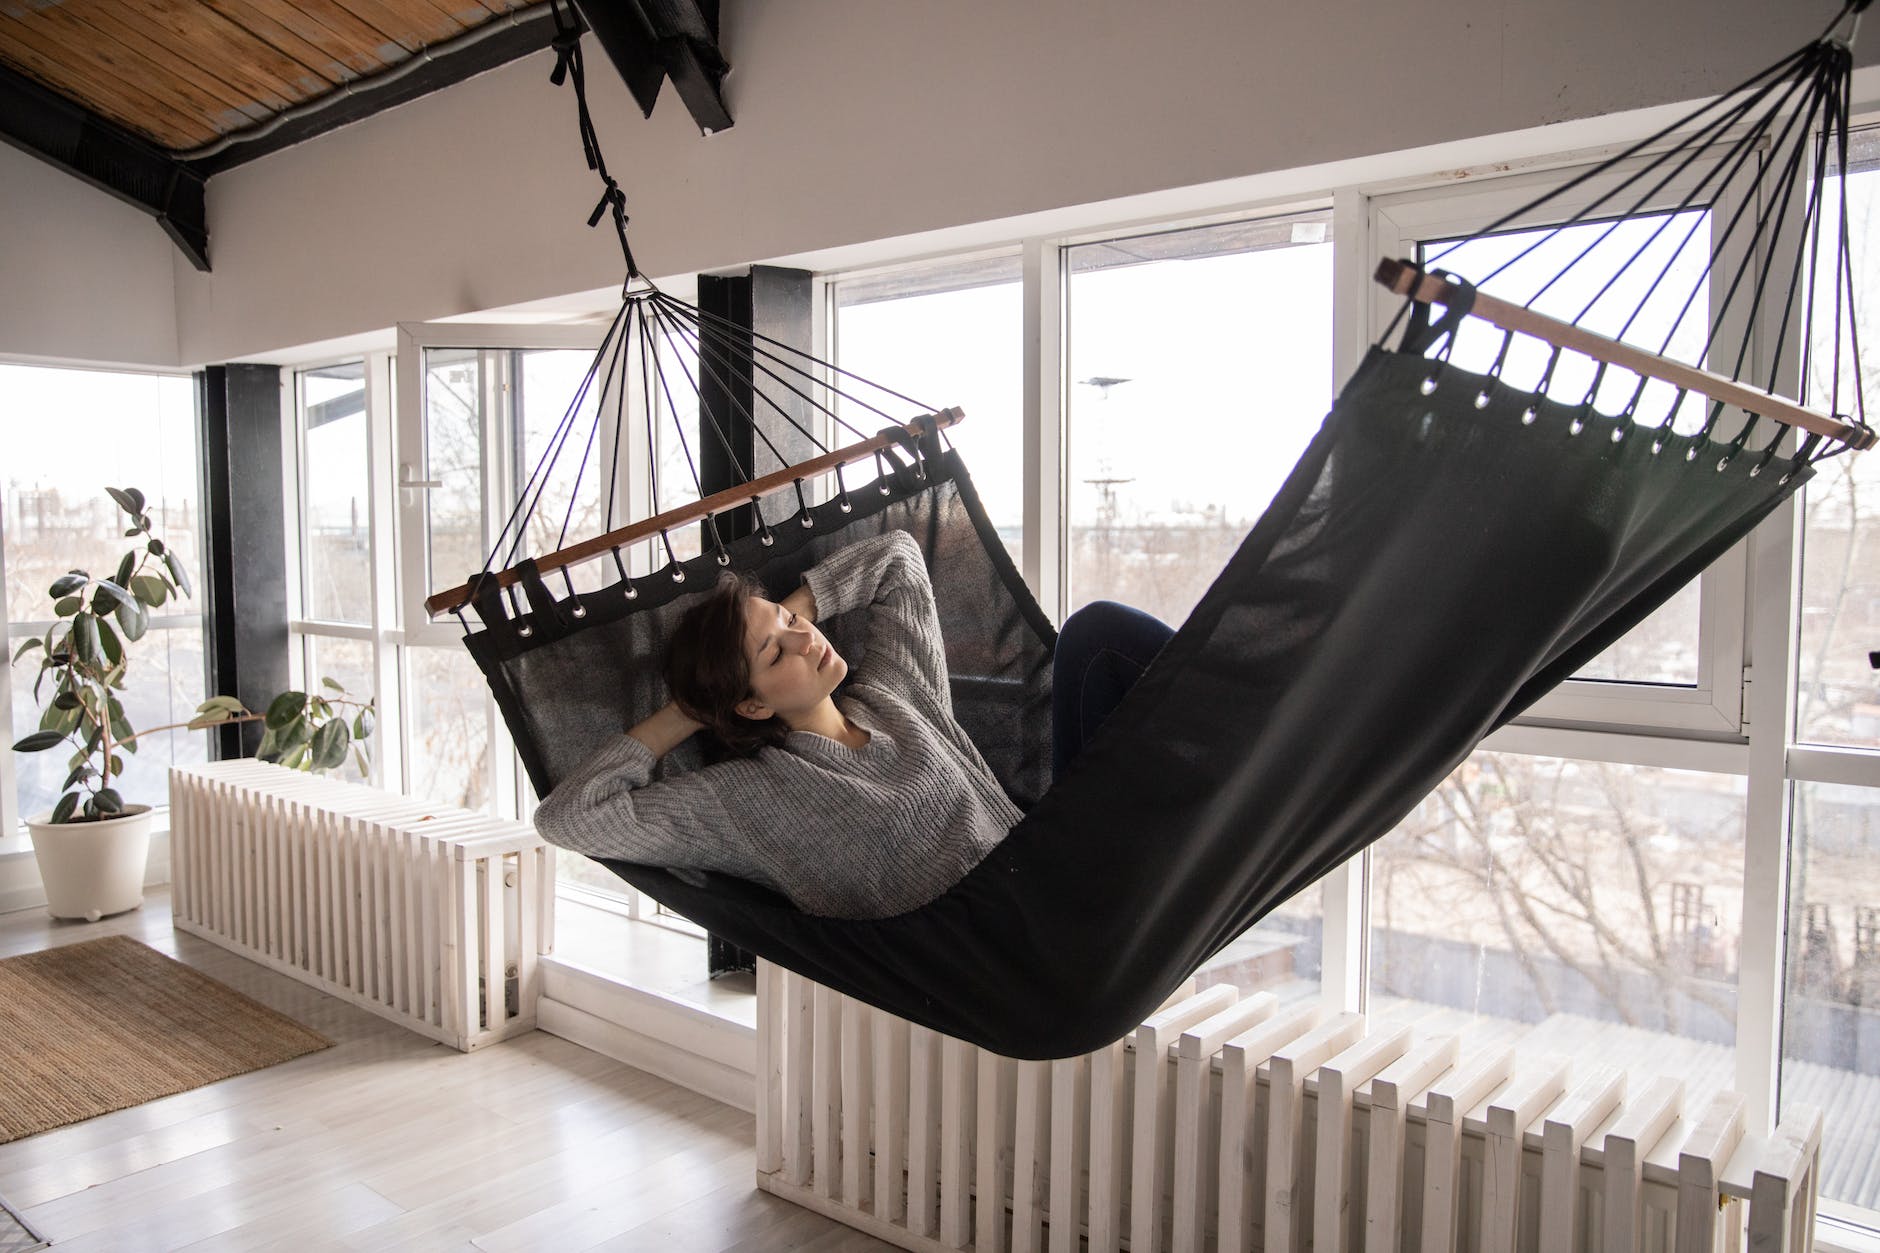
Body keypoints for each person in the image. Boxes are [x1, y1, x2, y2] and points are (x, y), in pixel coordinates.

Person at [532, 530, 1171, 919]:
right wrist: (689, 712)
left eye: (791, 623)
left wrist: (778, 621)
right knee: (1105, 642)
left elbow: (898, 560)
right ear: (751, 707)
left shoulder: (895, 693)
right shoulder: (750, 801)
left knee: (1098, 636)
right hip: (1015, 936)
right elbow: (569, 818)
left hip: (1063, 864)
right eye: (776, 654)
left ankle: (1249, 754)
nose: (805, 639)